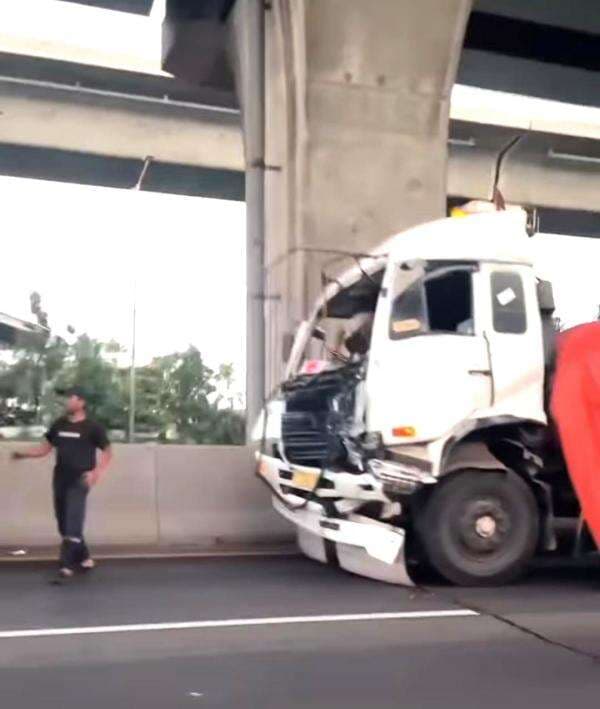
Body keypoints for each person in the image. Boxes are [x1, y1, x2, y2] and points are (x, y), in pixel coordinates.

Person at [12, 386, 113, 581]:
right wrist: (22, 454)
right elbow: (44, 449)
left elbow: (108, 452)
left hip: (80, 478)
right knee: (63, 524)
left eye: (71, 398)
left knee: (73, 521)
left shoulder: (93, 428)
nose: (67, 401)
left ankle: (66, 565)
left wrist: (97, 472)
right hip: (60, 478)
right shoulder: (59, 425)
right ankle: (85, 557)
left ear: (81, 402)